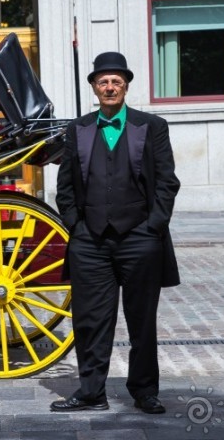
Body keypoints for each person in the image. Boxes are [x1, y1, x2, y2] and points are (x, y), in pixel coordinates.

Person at [51, 51, 180, 414]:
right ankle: (92, 392)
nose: (109, 87)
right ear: (94, 87)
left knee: (142, 322)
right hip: (90, 242)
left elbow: (167, 182)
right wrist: (76, 227)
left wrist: (154, 226)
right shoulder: (77, 129)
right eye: (103, 82)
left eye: (116, 82)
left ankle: (144, 392)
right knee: (90, 321)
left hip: (140, 238)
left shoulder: (152, 126)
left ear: (126, 87)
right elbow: (65, 187)